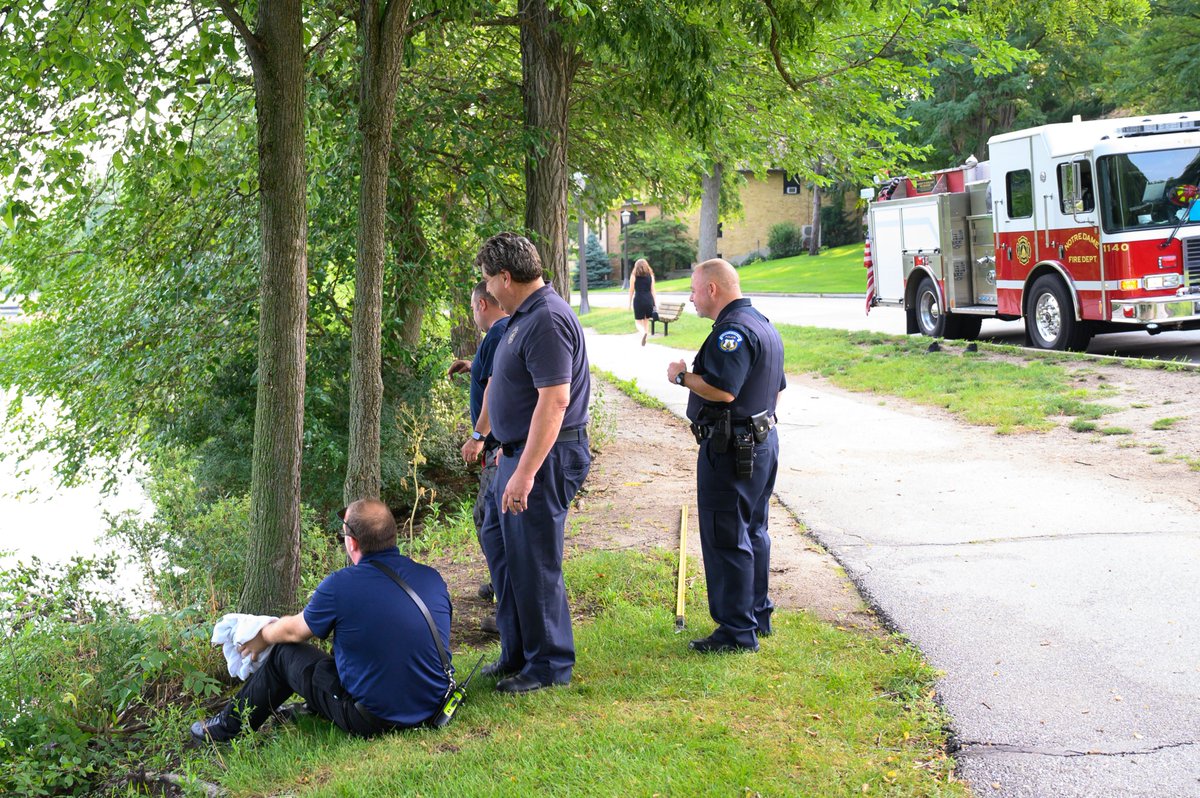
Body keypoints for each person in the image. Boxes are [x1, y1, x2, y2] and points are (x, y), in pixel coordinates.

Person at [189, 499, 453, 741]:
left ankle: (225, 727)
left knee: (284, 654)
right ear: (392, 536)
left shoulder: (341, 585)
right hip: (434, 705)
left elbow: (294, 632)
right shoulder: (431, 577)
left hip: (372, 718)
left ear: (352, 543)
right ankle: (312, 707)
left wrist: (262, 636)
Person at [474, 232, 591, 694]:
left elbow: (555, 400)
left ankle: (548, 664)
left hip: (544, 458)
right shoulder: (523, 317)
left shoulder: (546, 319)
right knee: (509, 558)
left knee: (536, 561)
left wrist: (525, 472)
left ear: (505, 277)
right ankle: (518, 652)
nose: (486, 289)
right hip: (515, 453)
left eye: (488, 279)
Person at [666, 259, 784, 654]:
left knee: (727, 536)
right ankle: (756, 615)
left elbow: (723, 389)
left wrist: (681, 376)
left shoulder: (731, 333)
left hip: (731, 449)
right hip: (760, 442)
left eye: (693, 290)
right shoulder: (762, 324)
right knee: (753, 531)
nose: (691, 298)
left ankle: (736, 632)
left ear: (712, 289)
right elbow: (777, 388)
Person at [448, 280, 511, 634]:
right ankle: (500, 582)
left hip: (497, 445)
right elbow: (495, 374)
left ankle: (507, 598)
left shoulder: (496, 333)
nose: (473, 315)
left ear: (483, 305)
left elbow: (494, 388)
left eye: (473, 308)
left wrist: (478, 436)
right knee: (490, 520)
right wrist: (473, 366)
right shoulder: (504, 332)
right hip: (500, 444)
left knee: (489, 520)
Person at [628, 258, 658, 346]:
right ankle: (646, 338)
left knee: (637, 321)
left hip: (638, 299)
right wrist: (655, 303)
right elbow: (653, 290)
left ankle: (643, 333)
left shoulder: (633, 276)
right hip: (649, 300)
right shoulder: (651, 276)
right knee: (646, 320)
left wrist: (629, 303)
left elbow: (631, 290)